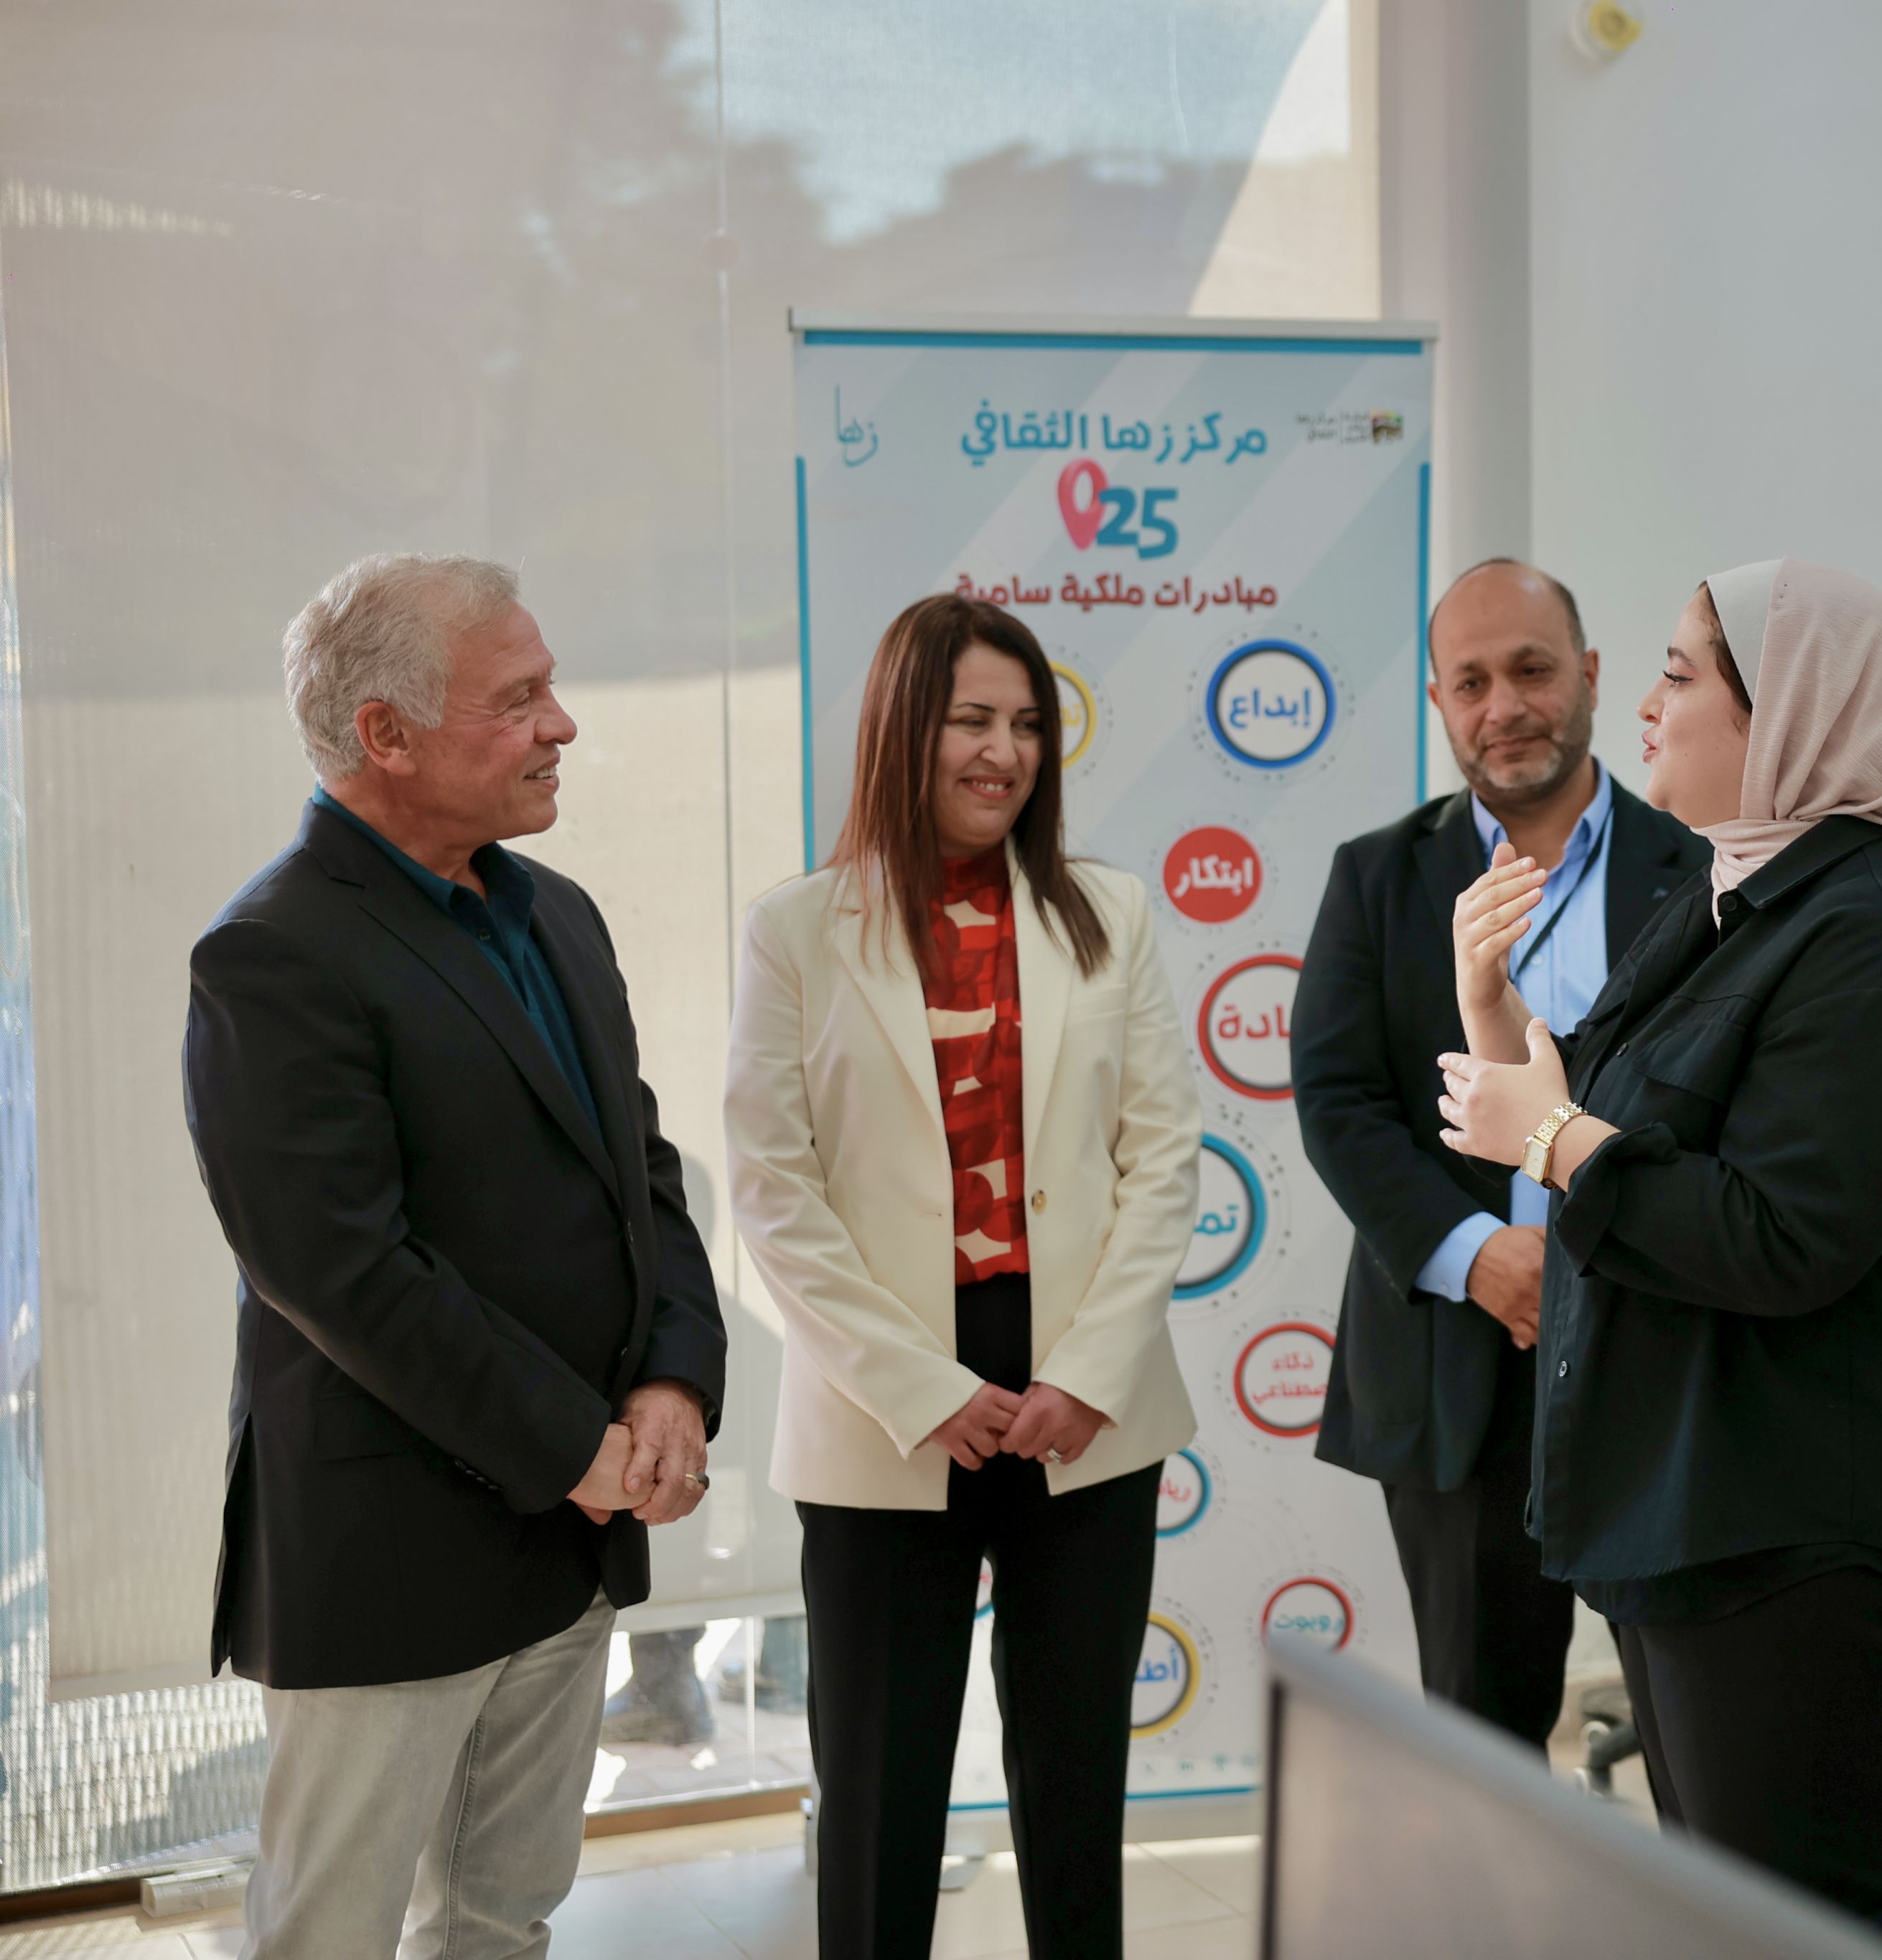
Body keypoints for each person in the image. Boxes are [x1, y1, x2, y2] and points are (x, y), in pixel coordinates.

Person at [1435, 559, 1882, 1935]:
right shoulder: (1737, 897)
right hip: (1694, 1500)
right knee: (1727, 1926)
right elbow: (1604, 1115)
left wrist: (1552, 1138)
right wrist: (1491, 1008)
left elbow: (1780, 1234)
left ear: (1789, 714)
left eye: (1681, 674)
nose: (1644, 704)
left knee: (1793, 1923)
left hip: (1791, 1529)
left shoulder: (1874, 941)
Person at [184, 553, 726, 1959]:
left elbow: (640, 1175)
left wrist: (673, 1380)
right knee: (331, 1935)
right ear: (387, 732)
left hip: (570, 1533)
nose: (562, 723)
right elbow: (344, 1274)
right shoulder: (272, 953)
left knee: (503, 1918)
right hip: (391, 1554)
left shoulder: (558, 915)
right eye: (519, 697)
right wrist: (578, 1447)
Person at [726, 591, 1201, 1960]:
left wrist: (1089, 1372)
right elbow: (774, 1187)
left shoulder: (1107, 913)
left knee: (1076, 1781)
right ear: (901, 730)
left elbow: (1163, 1160)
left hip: (1082, 1399)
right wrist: (919, 1387)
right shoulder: (796, 930)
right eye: (971, 721)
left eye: (1028, 725)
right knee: (880, 1795)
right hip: (883, 1407)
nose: (1005, 753)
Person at [1292, 558, 1705, 1748]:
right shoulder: (1379, 876)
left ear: (1590, 675)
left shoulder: (1701, 863)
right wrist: (1477, 1255)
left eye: (1531, 670)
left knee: (1694, 1740)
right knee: (1482, 1743)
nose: (1505, 706)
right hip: (1459, 1362)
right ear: (1439, 702)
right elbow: (1339, 1099)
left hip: (1662, 1347)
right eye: (1470, 682)